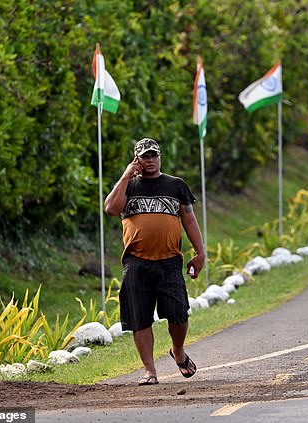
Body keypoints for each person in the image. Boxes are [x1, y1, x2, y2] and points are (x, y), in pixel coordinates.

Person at [105, 137, 205, 385]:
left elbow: (189, 220)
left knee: (179, 314)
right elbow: (111, 208)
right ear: (136, 160)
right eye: (144, 156)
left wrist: (200, 252)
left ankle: (178, 350)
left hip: (170, 261)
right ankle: (150, 370)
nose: (150, 160)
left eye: (153, 155)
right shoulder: (128, 186)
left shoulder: (176, 186)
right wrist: (127, 175)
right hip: (136, 262)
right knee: (140, 317)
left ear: (160, 157)